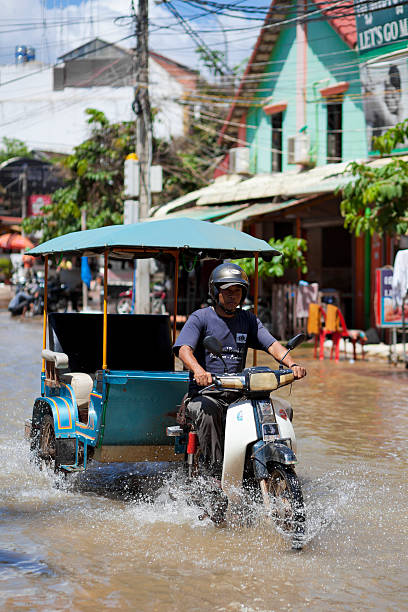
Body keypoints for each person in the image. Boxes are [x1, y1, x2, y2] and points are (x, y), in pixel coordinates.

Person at [173, 262, 307, 481]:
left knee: (284, 408)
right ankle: (213, 476)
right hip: (207, 393)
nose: (232, 296)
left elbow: (272, 345)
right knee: (207, 413)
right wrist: (199, 370)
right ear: (215, 292)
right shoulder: (200, 318)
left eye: (237, 291)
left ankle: (262, 463)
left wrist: (292, 365)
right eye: (226, 291)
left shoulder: (248, 319)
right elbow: (184, 349)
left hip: (239, 394)